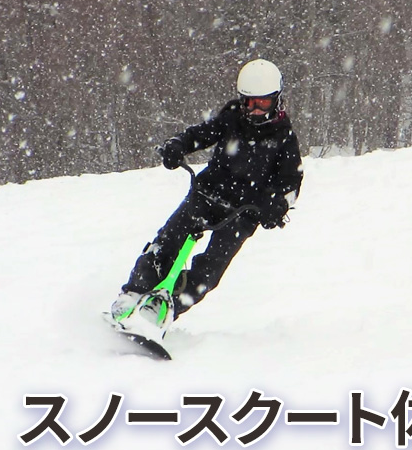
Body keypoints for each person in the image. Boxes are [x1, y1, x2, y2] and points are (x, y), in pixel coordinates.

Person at [111, 59, 303, 324]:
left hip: (242, 213)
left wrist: (276, 205)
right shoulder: (232, 118)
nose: (255, 110)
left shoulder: (284, 138)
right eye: (249, 102)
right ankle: (133, 293)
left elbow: (291, 182)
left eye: (263, 103)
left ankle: (164, 309)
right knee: (167, 241)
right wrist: (178, 145)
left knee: (208, 271)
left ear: (276, 100)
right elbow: (200, 134)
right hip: (208, 193)